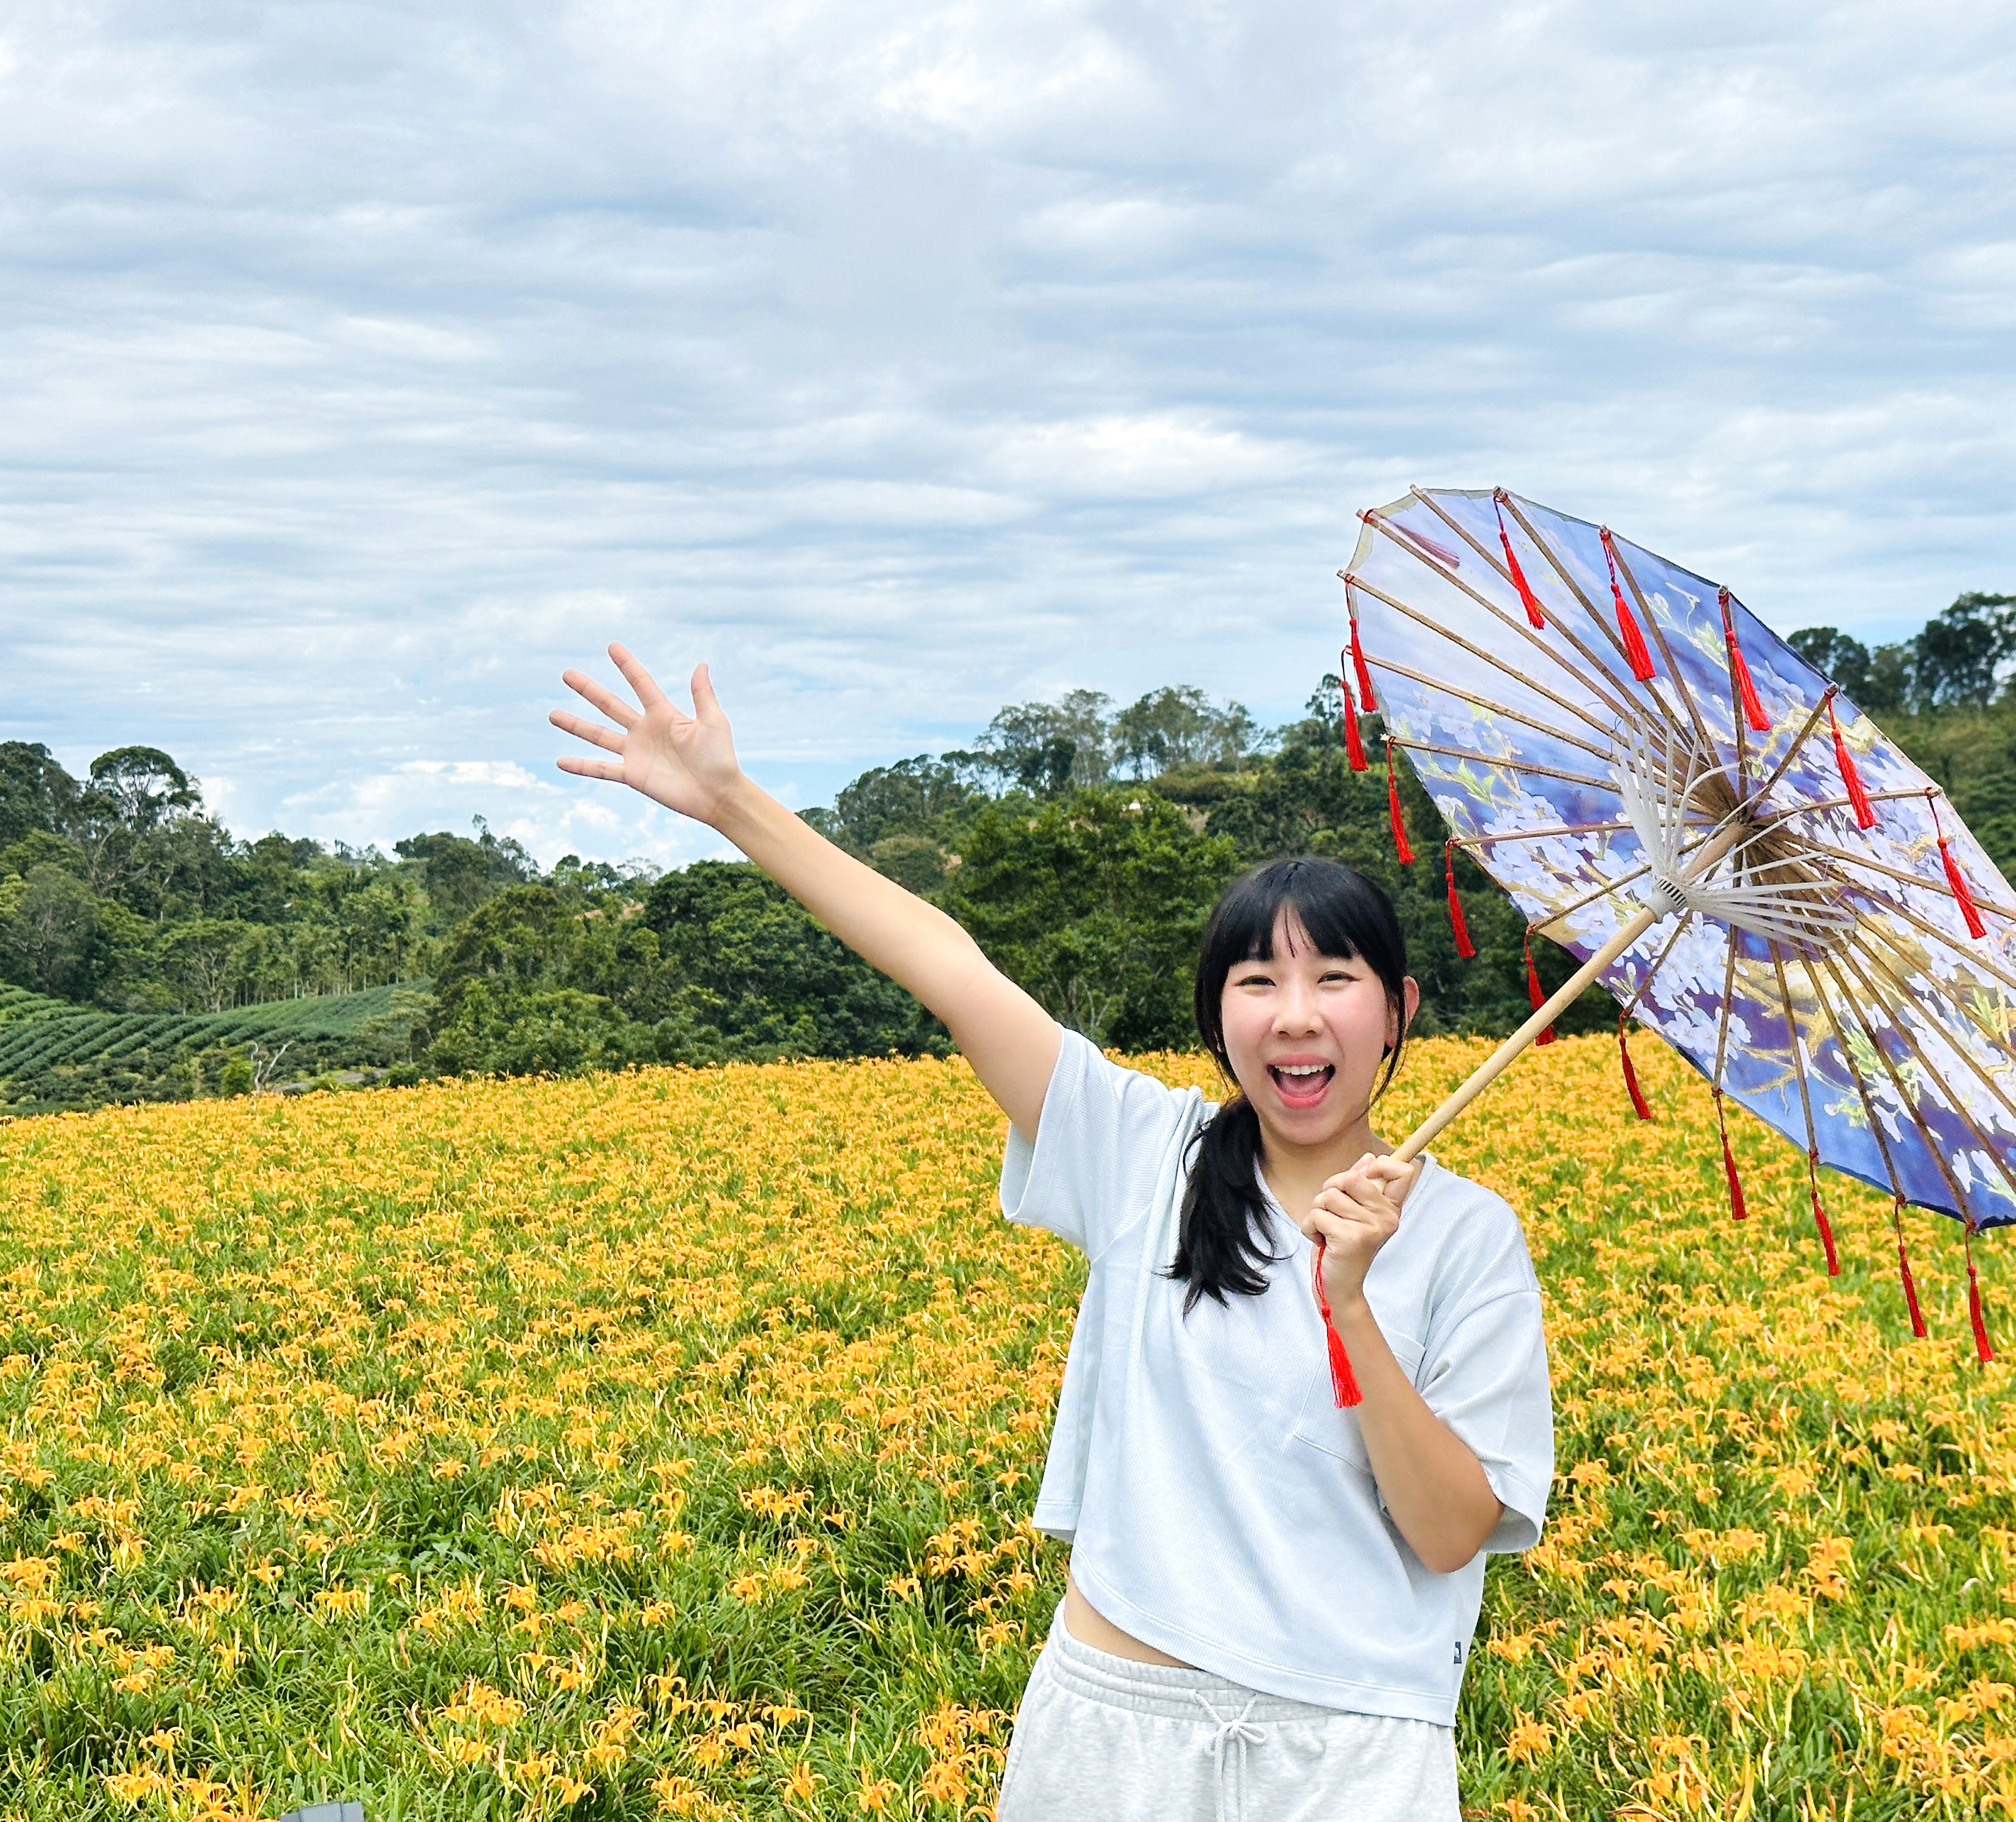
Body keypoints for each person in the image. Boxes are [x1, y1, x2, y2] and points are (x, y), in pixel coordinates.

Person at [551, 646, 1553, 1821]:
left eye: (1336, 977)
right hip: (1117, 1736)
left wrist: (1349, 1302)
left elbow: (1448, 1536)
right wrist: (730, 801)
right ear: (1214, 1013)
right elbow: (951, 969)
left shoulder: (1472, 1240)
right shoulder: (1145, 1156)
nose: (1294, 1016)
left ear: (1399, 1010)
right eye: (1253, 982)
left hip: (1350, 1760)